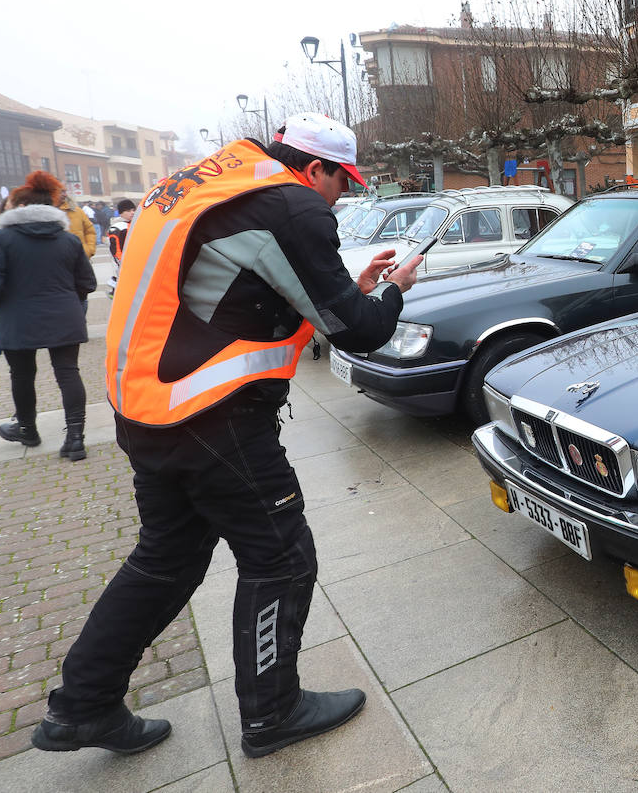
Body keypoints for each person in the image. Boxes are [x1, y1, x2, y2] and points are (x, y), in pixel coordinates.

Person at [31, 113, 424, 760]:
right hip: (210, 412)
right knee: (281, 555)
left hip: (147, 404)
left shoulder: (218, 181)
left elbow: (242, 291)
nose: (341, 196)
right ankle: (273, 711)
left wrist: (352, 291)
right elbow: (359, 332)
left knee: (165, 561)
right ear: (314, 166)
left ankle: (81, 705)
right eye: (341, 181)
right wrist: (394, 294)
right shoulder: (292, 202)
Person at [0, 171, 96, 459]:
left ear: (21, 207)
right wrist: (69, 302)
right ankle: (75, 437)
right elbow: (87, 283)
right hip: (64, 314)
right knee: (68, 373)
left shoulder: (2, 238)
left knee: (22, 374)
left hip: (17, 316)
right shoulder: (68, 240)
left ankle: (28, 429)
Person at [105, 198, 135, 296]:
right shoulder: (117, 227)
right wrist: (121, 262)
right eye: (128, 211)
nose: (132, 213)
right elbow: (116, 248)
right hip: (123, 263)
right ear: (121, 213)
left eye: (133, 210)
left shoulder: (134, 224)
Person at [57, 190, 98, 259]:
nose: (64, 195)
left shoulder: (77, 211)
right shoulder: (42, 213)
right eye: (60, 191)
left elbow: (90, 231)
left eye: (64, 191)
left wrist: (88, 250)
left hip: (80, 259)